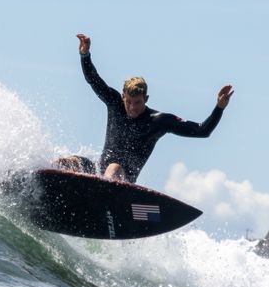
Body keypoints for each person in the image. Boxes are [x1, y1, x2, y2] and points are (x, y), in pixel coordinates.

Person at [56, 33, 234, 183]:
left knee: (113, 168)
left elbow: (202, 131)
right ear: (123, 97)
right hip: (98, 173)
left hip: (122, 180)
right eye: (129, 102)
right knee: (64, 162)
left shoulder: (158, 121)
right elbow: (93, 79)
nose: (132, 107)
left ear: (146, 99)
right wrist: (85, 55)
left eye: (138, 102)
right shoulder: (114, 102)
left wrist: (219, 108)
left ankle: (108, 196)